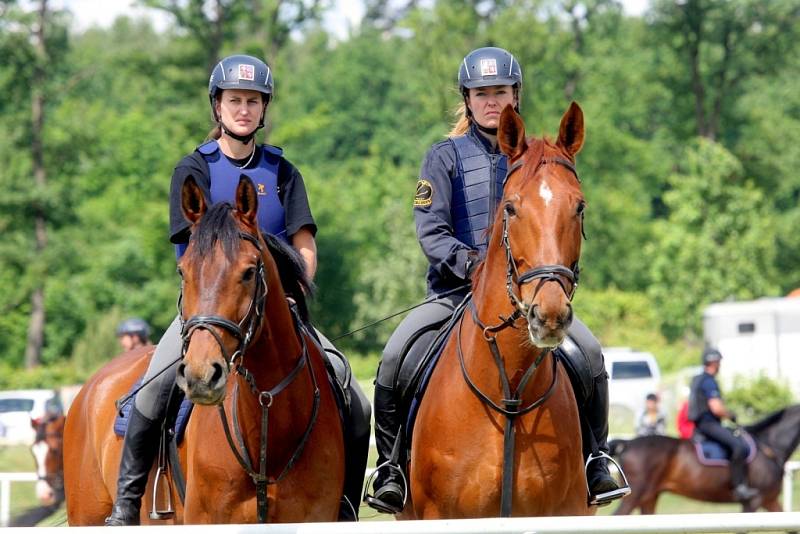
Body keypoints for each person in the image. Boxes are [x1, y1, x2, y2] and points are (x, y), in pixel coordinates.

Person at [105, 54, 371, 525]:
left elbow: (304, 246)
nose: (243, 109)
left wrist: (295, 289)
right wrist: (206, 301)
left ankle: (346, 507)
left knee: (352, 396)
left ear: (263, 109)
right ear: (218, 106)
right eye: (235, 100)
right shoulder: (194, 169)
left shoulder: (283, 173)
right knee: (151, 392)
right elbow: (187, 252)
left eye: (252, 101)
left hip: (276, 311)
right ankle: (127, 506)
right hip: (209, 310)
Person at [365, 46, 629, 514]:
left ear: (516, 96)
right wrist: (471, 266)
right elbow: (431, 229)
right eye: (482, 93)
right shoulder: (444, 157)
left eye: (500, 92)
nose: (492, 101)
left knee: (588, 354)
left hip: (529, 295)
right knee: (393, 359)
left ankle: (596, 459)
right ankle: (391, 468)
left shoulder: (536, 159)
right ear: (467, 99)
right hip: (453, 295)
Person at [688, 347, 758, 501]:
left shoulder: (697, 379)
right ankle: (739, 486)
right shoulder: (708, 381)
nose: (720, 365)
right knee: (739, 446)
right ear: (714, 362)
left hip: (700, 424)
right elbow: (716, 408)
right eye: (719, 362)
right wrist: (731, 415)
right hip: (708, 424)